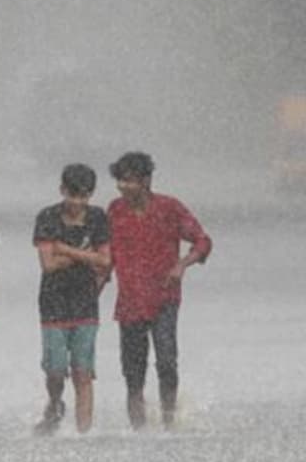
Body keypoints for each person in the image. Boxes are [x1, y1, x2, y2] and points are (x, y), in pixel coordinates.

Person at [104, 151, 212, 431]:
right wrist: (98, 282)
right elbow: (107, 253)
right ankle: (138, 429)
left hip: (164, 298)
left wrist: (182, 264)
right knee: (133, 372)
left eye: (129, 181)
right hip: (129, 301)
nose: (123, 187)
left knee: (166, 362)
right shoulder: (115, 210)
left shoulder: (169, 208)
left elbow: (202, 241)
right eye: (120, 181)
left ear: (146, 181)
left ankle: (169, 422)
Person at [32, 163, 111, 436]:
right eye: (73, 195)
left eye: (84, 196)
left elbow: (105, 260)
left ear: (91, 194)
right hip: (53, 304)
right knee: (55, 371)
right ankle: (55, 404)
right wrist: (87, 255)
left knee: (83, 372)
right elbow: (48, 265)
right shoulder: (47, 217)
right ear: (62, 190)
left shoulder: (98, 218)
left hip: (86, 302)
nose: (77, 202)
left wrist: (65, 249)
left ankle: (83, 433)